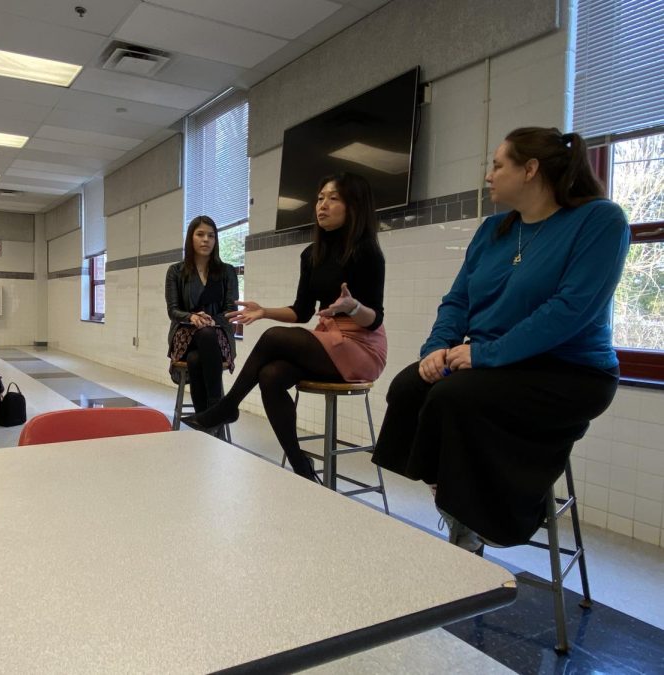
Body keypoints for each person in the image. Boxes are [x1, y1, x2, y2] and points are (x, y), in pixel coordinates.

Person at [372, 127, 630, 552]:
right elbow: (456, 301)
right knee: (408, 387)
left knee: (452, 399)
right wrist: (436, 349)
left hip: (571, 372)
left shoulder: (600, 220)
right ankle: (459, 509)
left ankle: (485, 521)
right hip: (495, 363)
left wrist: (483, 355)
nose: (488, 176)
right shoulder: (493, 230)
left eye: (497, 165)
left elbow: (568, 311)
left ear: (530, 169)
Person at [185, 173, 387, 481]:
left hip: (361, 345)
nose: (322, 205)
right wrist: (264, 311)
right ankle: (302, 469)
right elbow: (302, 311)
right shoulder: (312, 254)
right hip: (328, 339)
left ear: (353, 206)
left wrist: (354, 307)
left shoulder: (367, 252)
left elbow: (376, 319)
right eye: (320, 198)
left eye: (333, 199)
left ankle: (226, 406)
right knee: (271, 374)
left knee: (273, 339)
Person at [166, 215, 239, 415]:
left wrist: (211, 320)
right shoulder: (175, 271)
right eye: (200, 234)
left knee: (197, 357)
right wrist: (191, 317)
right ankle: (218, 408)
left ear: (216, 241)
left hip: (217, 335)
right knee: (202, 336)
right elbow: (172, 310)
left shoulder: (227, 271)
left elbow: (231, 311)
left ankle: (205, 418)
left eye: (211, 236)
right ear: (191, 238)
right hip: (185, 333)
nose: (206, 239)